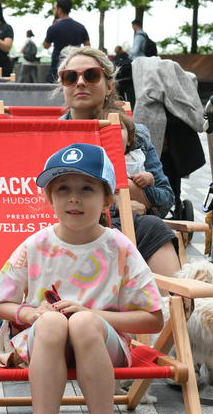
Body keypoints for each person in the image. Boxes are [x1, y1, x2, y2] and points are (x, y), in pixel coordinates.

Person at [0, 142, 163, 414]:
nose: (74, 199)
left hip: (104, 344)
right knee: (51, 320)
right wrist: (30, 312)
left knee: (82, 321)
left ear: (107, 199)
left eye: (87, 189)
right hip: (46, 342)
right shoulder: (36, 246)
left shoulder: (118, 247)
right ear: (49, 199)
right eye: (63, 189)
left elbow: (153, 318)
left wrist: (95, 315)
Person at [56, 45, 180, 279]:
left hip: (127, 227)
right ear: (63, 85)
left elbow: (166, 200)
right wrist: (121, 200)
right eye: (70, 77)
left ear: (109, 86)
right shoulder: (52, 135)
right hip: (68, 230)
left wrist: (127, 192)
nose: (80, 82)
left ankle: (172, 309)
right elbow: (36, 200)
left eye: (91, 75)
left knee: (153, 226)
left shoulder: (136, 134)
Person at [43, 0, 90, 81]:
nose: (53, 10)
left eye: (54, 8)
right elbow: (88, 46)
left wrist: (52, 26)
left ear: (59, 9)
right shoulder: (81, 27)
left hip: (57, 68)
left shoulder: (53, 28)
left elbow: (46, 46)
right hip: (76, 68)